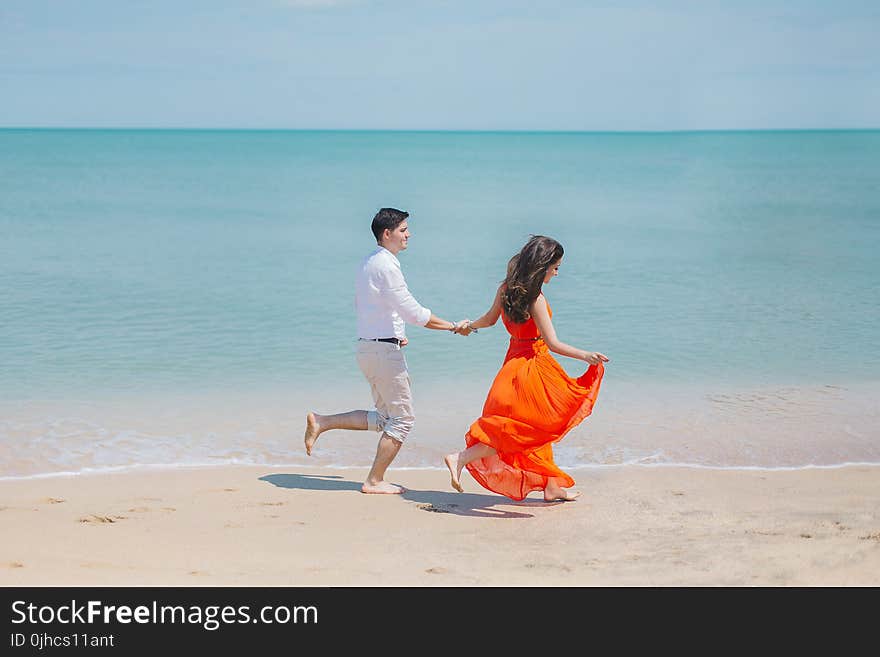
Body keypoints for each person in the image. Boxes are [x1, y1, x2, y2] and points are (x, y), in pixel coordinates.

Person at [304, 207, 469, 494]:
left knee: (385, 419)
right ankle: (374, 480)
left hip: (369, 348)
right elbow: (414, 312)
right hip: (383, 353)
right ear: (387, 233)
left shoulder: (369, 262)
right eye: (403, 230)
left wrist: (398, 334)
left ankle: (322, 422)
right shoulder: (388, 266)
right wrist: (454, 326)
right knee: (403, 420)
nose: (409, 234)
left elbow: (377, 307)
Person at [444, 235, 609, 502]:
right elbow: (553, 343)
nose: (556, 273)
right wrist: (586, 355)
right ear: (542, 266)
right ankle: (460, 457)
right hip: (533, 366)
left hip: (512, 366)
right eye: (555, 267)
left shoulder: (506, 288)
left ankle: (552, 487)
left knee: (534, 427)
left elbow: (488, 320)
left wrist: (468, 326)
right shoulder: (536, 299)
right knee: (527, 430)